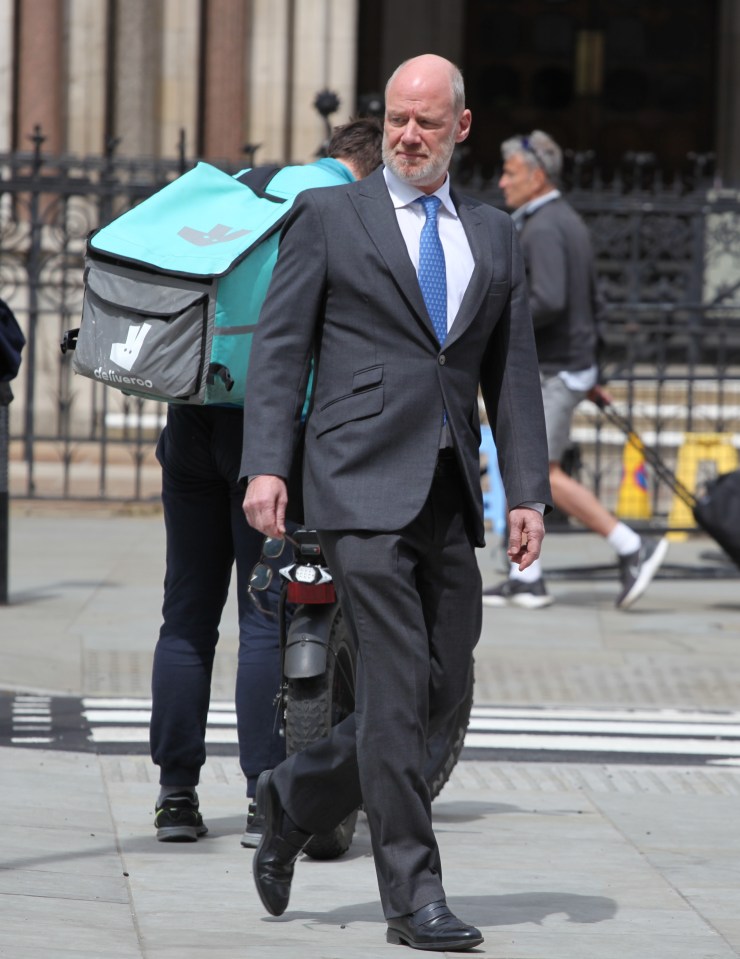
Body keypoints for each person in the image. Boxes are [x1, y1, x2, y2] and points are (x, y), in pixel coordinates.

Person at [240, 55, 551, 951]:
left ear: (461, 127)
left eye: (424, 121)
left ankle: (293, 794)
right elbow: (280, 348)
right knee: (396, 683)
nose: (406, 134)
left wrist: (525, 489)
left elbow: (513, 374)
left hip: (451, 490)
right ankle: (414, 897)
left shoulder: (494, 236)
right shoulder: (331, 215)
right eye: (395, 120)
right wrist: (269, 463)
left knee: (441, 693)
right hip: (358, 484)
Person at [149, 118, 383, 846]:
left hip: (190, 416)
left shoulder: (249, 191)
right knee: (264, 617)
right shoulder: (336, 209)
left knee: (186, 612)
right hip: (269, 433)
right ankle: (261, 794)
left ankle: (176, 795)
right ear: (366, 168)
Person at [483, 130, 668, 611]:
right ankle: (528, 579)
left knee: (540, 474)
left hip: (556, 368)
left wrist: (493, 314)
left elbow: (550, 300)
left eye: (510, 172)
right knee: (526, 469)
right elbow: (593, 300)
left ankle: (632, 545)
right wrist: (593, 367)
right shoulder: (564, 220)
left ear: (537, 176)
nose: (502, 183)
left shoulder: (544, 227)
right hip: (571, 365)